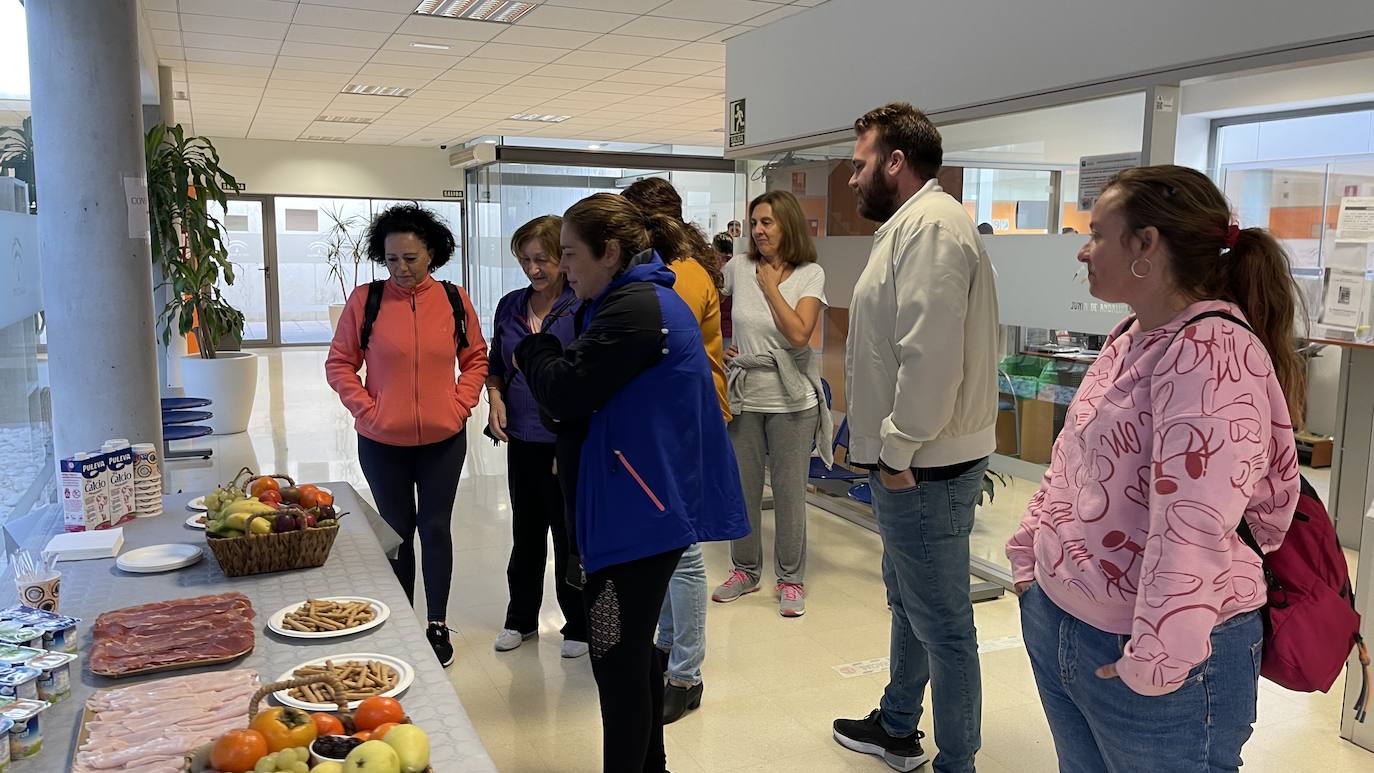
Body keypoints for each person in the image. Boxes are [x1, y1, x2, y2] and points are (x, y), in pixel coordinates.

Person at [1005, 165, 1304, 772]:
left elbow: (1193, 525)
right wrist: (1029, 557)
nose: (1084, 251)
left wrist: (1157, 658)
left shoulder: (1213, 353)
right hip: (1068, 620)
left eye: (1098, 234)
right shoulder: (1131, 335)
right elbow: (1072, 461)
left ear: (1145, 244)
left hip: (1156, 658)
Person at [515, 193, 748, 773]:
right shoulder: (622, 301)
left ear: (611, 252)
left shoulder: (638, 309)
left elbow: (564, 393)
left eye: (571, 254)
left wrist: (534, 348)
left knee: (616, 661)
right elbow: (574, 405)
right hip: (626, 504)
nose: (563, 268)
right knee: (630, 653)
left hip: (638, 514)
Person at [832, 103, 1000, 773]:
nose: (852, 178)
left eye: (860, 163)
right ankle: (898, 724)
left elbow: (929, 358)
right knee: (912, 602)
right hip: (916, 460)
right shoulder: (919, 223)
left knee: (944, 624)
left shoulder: (931, 227)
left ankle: (957, 761)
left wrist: (897, 452)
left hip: (923, 464)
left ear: (895, 161)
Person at [326, 203, 488, 668]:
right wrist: (368, 410)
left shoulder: (454, 299)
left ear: (432, 254)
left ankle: (436, 623)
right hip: (382, 442)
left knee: (435, 528)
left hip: (443, 439)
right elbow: (340, 363)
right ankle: (401, 624)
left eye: (411, 258)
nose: (400, 268)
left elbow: (475, 358)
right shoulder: (367, 300)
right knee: (397, 532)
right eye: (392, 258)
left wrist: (459, 405)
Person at [622, 177, 727, 724]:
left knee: (682, 553)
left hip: (686, 423)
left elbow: (655, 352)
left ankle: (686, 674)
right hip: (671, 423)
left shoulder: (678, 276)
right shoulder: (669, 268)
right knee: (665, 546)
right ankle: (666, 649)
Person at [712, 189, 832, 618]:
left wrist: (770, 288)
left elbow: (799, 334)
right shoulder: (738, 267)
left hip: (792, 401)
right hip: (745, 395)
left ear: (788, 225)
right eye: (754, 223)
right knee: (742, 490)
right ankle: (745, 570)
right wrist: (720, 347)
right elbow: (704, 304)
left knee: (789, 493)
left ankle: (791, 578)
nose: (758, 231)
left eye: (767, 222)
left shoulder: (810, 273)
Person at [487, 215, 588, 659]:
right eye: (525, 260)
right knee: (526, 533)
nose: (533, 269)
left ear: (563, 258)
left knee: (568, 536)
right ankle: (521, 618)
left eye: (542, 259)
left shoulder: (580, 305)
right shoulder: (511, 305)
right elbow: (496, 363)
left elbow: (585, 377)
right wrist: (494, 398)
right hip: (523, 438)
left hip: (565, 440)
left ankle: (578, 625)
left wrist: (571, 437)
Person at [712, 232, 734, 344]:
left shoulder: (734, 272)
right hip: (714, 332)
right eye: (717, 257)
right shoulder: (709, 275)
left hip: (729, 333)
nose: (721, 262)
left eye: (726, 258)